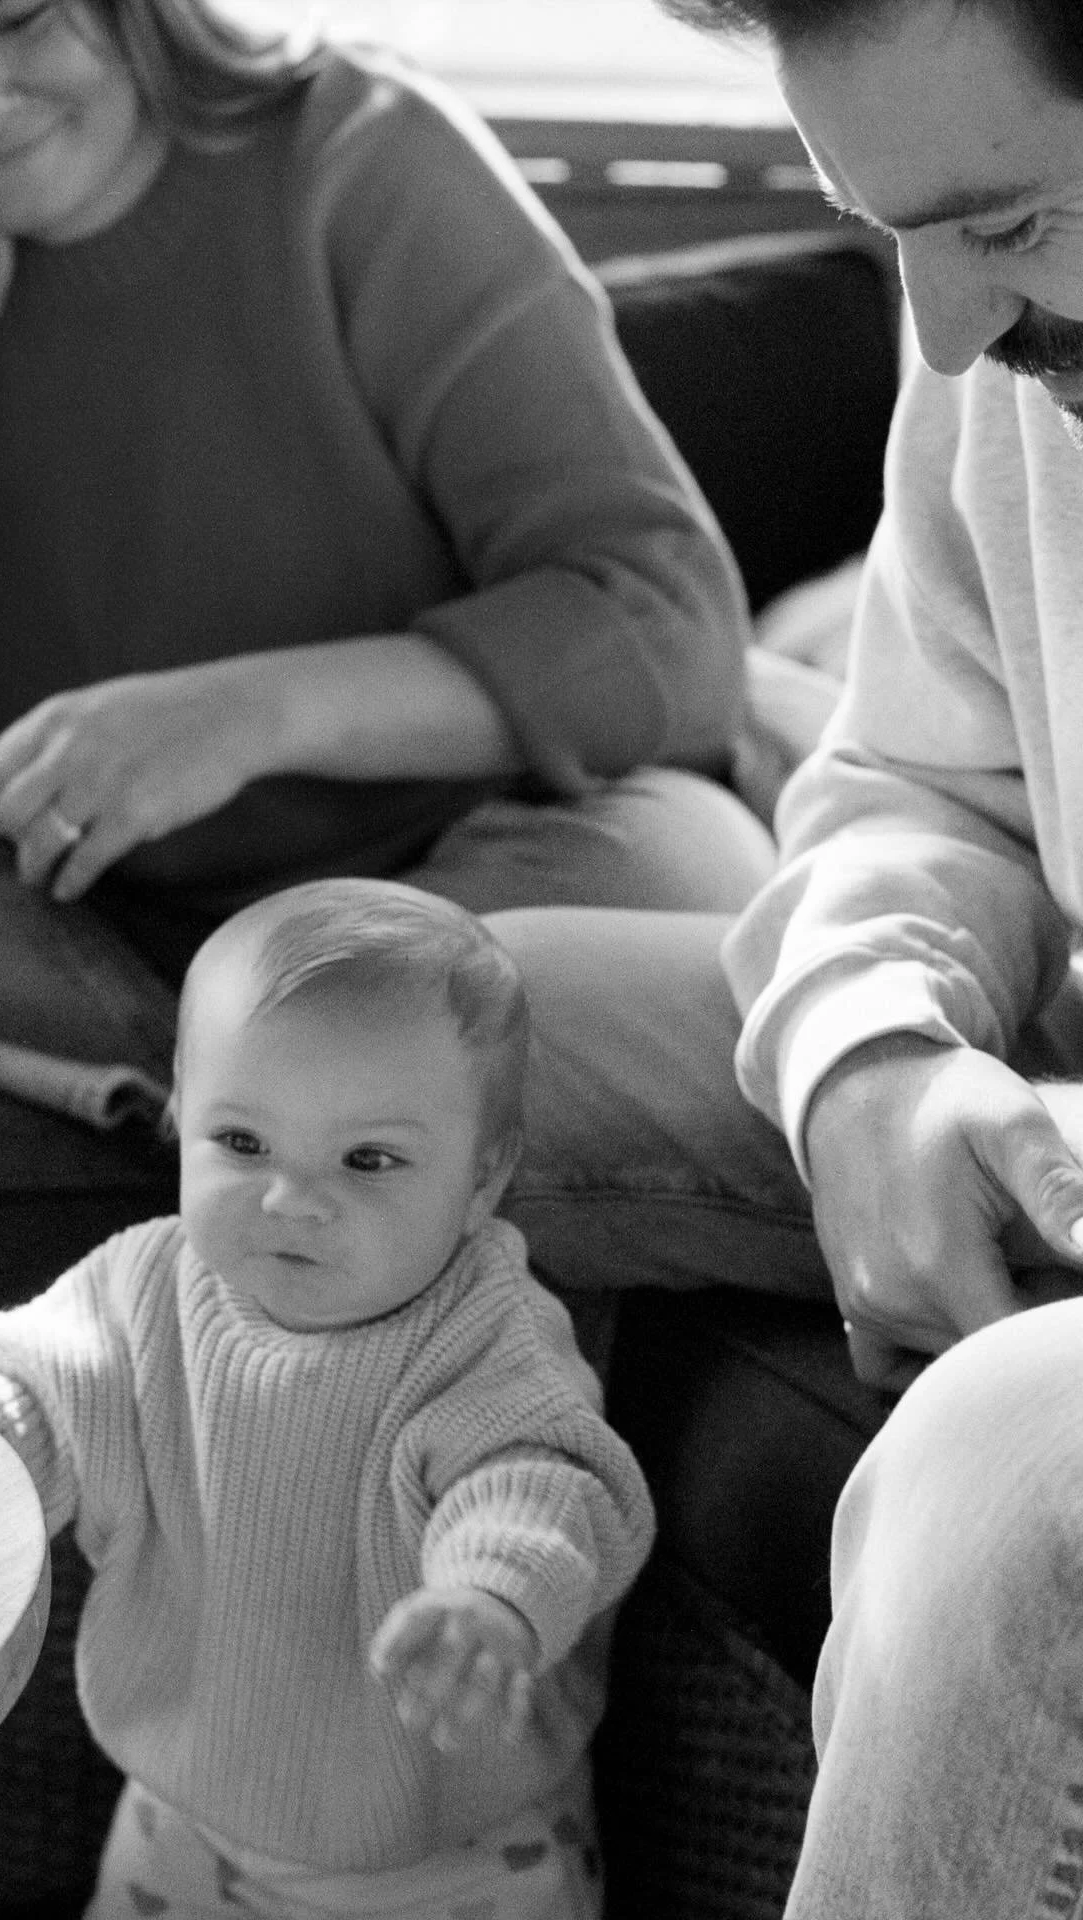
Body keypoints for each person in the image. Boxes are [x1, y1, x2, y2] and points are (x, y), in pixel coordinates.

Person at [0, 0, 770, 1146]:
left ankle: (246, 1097)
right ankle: (272, 1093)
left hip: (451, 870)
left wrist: (244, 716)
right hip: (87, 922)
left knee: (675, 867)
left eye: (22, 20)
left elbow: (667, 626)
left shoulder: (365, 154)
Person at [485, 0, 1083, 1911]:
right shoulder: (1004, 360)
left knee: (992, 1471)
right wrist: (869, 1053)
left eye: (1001, 229)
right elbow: (927, 774)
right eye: (887, 237)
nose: (943, 336)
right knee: (427, 1029)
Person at [0, 877, 656, 1920]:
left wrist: (491, 1598)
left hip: (456, 1858)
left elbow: (541, 1481)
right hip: (186, 1822)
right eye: (242, 1143)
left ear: (484, 1179)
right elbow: (38, 1401)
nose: (292, 1198)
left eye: (370, 1160)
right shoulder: (144, 1289)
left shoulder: (484, 1333)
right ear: (180, 1117)